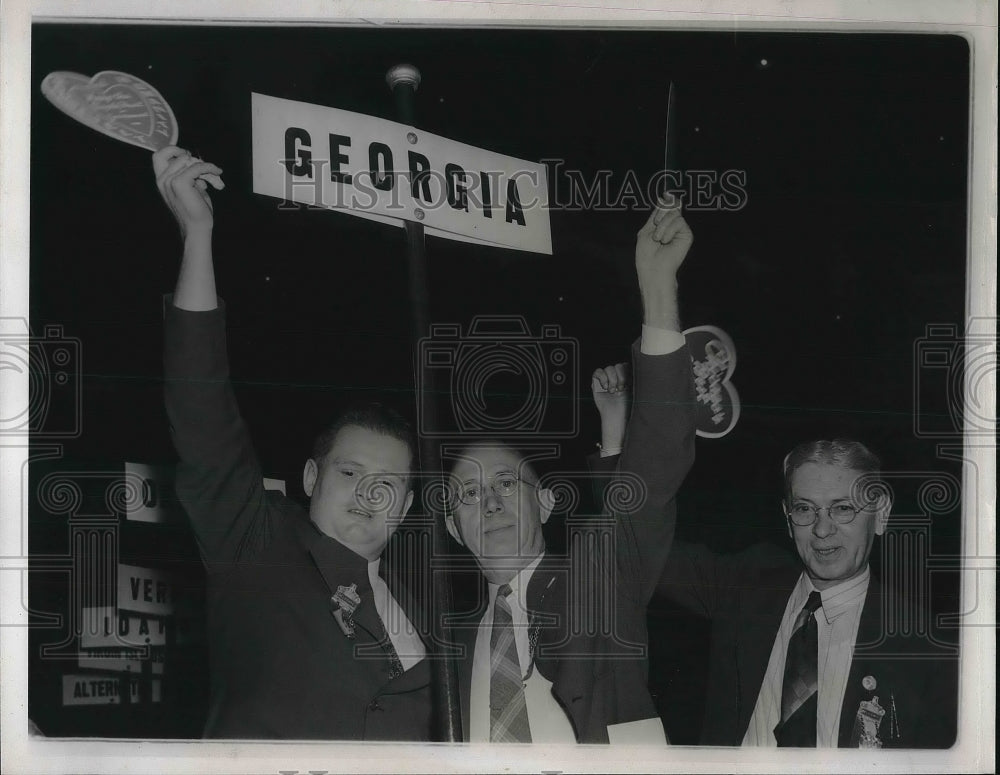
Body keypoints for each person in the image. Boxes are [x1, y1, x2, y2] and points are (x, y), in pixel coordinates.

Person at [154, 146, 431, 739]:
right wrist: (197, 236)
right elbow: (201, 409)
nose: (368, 495)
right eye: (350, 473)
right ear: (310, 478)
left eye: (389, 485)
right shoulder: (255, 540)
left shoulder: (428, 608)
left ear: (407, 507)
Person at [443, 199, 697, 743]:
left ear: (548, 501)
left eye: (508, 484)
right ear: (451, 527)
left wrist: (655, 284)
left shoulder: (597, 585)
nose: (489, 503)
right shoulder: (445, 648)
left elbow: (653, 472)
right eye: (467, 493)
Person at [593, 400, 959, 747]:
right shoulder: (748, 582)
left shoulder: (924, 648)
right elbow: (639, 548)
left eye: (842, 509)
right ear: (787, 517)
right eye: (805, 509)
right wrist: (614, 437)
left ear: (880, 514)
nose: (821, 529)